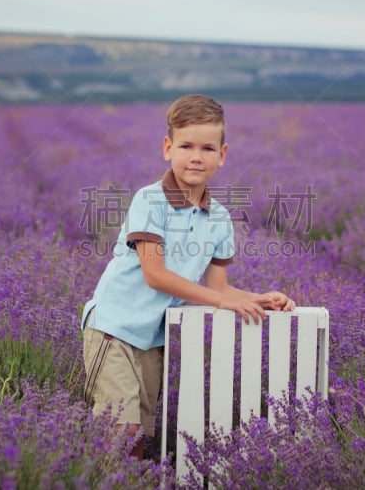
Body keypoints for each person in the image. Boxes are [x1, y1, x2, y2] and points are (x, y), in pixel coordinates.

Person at [81, 94, 296, 460]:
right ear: (168, 148)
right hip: (112, 329)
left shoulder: (220, 219)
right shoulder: (150, 202)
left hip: (153, 339)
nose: (196, 156)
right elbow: (156, 276)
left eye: (207, 148)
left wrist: (257, 299)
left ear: (222, 155)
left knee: (139, 438)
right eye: (186, 146)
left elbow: (218, 288)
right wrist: (224, 300)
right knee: (121, 429)